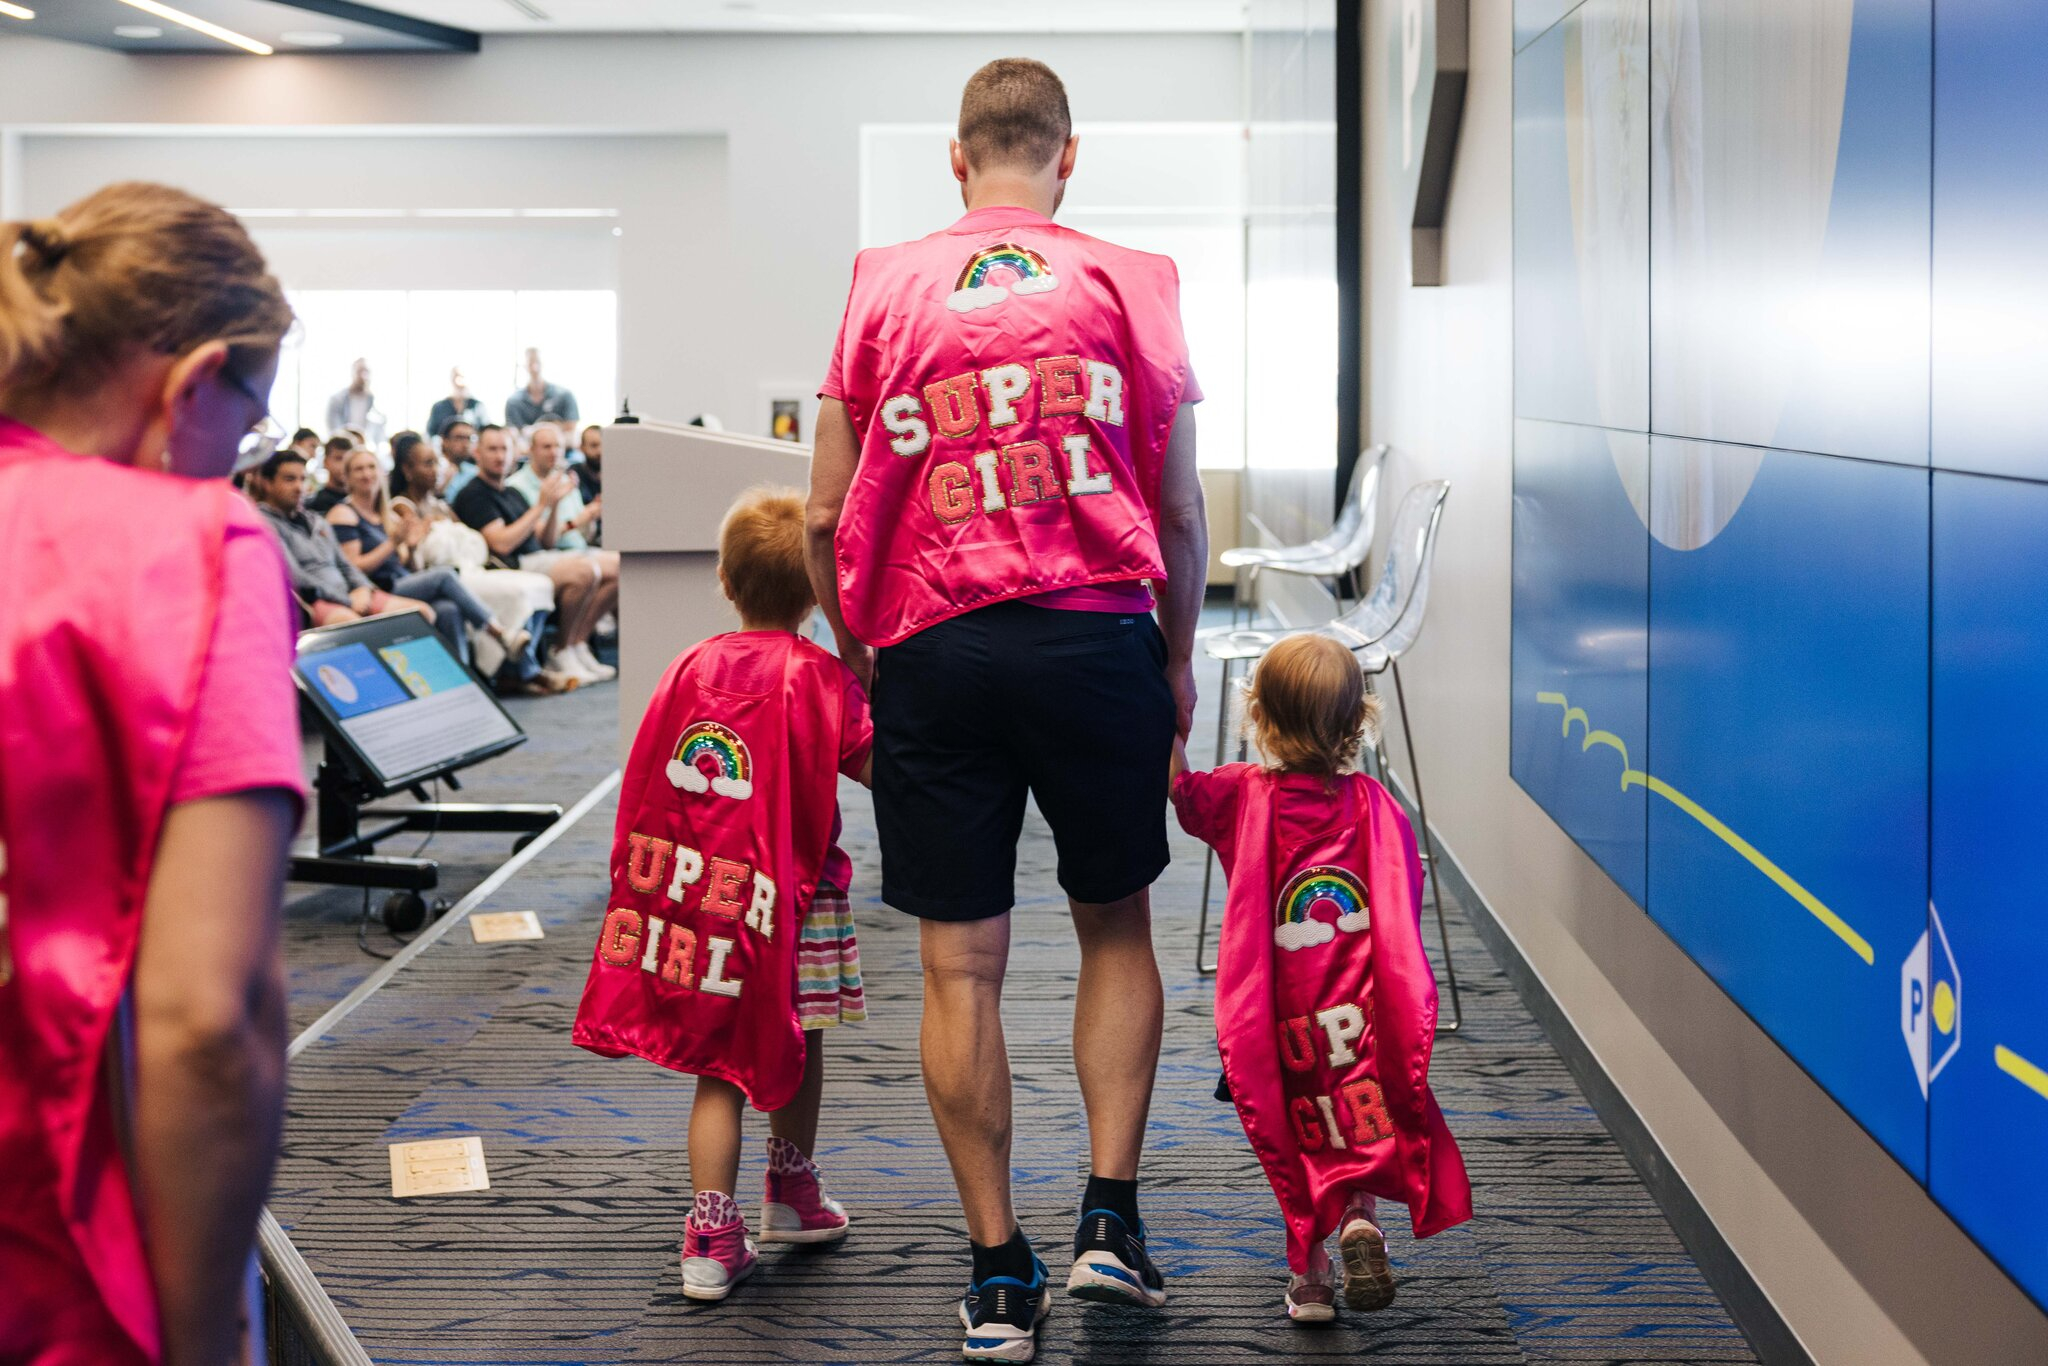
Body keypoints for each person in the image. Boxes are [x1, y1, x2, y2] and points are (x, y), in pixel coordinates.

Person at [803, 58, 1207, 1361]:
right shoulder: (1135, 281)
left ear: (956, 156)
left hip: (936, 644)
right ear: (1067, 156)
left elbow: (822, 512)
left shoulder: (881, 282)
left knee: (958, 964)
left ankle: (995, 1273)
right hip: (1097, 636)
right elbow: (1180, 511)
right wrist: (1178, 659)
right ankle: (1111, 1221)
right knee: (1114, 922)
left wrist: (863, 653)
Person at [0, 181, 303, 1366]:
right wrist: (205, 1332)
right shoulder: (193, 546)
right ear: (195, 383)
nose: (239, 460)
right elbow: (202, 1020)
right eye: (251, 425)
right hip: (50, 1248)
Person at [572, 487, 871, 1303]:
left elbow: (650, 782)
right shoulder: (819, 677)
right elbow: (877, 766)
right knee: (795, 1035)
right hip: (795, 900)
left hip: (709, 896)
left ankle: (730, 1223)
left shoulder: (690, 665)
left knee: (721, 1061)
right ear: (817, 592)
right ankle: (775, 1199)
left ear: (726, 582)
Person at [1169, 635, 1472, 1324]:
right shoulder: (1376, 805)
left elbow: (1182, 793)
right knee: (1354, 1119)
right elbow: (1403, 893)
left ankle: (1310, 1277)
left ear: (1258, 717)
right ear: (1358, 723)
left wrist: (1173, 721)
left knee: (1294, 1131)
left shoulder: (1240, 795)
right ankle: (1360, 1217)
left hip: (1278, 1015)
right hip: (1359, 1015)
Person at [389, 433, 572, 695]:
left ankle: (505, 672)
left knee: (539, 586)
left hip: (467, 569)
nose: (435, 470)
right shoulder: (402, 507)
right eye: (427, 463)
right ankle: (511, 652)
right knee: (516, 592)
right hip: (439, 576)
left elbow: (470, 538)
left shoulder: (441, 505)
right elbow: (412, 555)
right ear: (407, 470)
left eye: (437, 463)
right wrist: (417, 538)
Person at [327, 439, 529, 663]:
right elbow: (354, 567)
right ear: (348, 476)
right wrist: (393, 543)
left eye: (371, 467)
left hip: (401, 579)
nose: (367, 474)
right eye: (359, 469)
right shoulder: (344, 513)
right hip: (378, 588)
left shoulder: (386, 515)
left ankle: (461, 673)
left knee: (448, 609)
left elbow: (409, 566)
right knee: (444, 575)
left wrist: (412, 547)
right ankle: (499, 632)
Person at [454, 423, 618, 684]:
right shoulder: (474, 494)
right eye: (492, 449)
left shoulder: (511, 492)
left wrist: (554, 506)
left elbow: (547, 540)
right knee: (586, 571)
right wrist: (541, 505)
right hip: (512, 565)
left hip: (540, 556)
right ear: (478, 453)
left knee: (620, 567)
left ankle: (576, 644)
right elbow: (502, 544)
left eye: (504, 449)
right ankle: (561, 648)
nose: (500, 456)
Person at [253, 447, 434, 627]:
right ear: (267, 483)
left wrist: (364, 588)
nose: (299, 487)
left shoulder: (316, 521)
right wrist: (346, 599)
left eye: (302, 479)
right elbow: (296, 578)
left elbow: (345, 564)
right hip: (316, 600)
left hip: (349, 591)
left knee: (422, 613)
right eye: (290, 479)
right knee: (355, 627)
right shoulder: (264, 524)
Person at [509, 421, 601, 551]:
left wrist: (592, 516)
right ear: (531, 449)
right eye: (547, 447)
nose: (554, 452)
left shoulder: (566, 480)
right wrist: (575, 522)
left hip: (582, 549)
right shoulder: (515, 486)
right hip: (552, 554)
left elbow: (585, 534)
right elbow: (542, 540)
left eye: (558, 446)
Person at [505, 346, 578, 428]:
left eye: (537, 362)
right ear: (524, 365)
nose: (535, 368)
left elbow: (571, 425)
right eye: (530, 363)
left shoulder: (565, 395)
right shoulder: (514, 401)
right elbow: (513, 430)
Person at [324, 356, 385, 449]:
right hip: (344, 447)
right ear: (353, 373)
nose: (363, 376)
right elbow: (334, 430)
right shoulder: (337, 400)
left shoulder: (375, 402)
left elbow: (379, 434)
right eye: (360, 371)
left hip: (366, 448)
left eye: (366, 371)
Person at [425, 366, 486, 441]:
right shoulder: (439, 407)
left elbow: (485, 432)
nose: (459, 382)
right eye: (456, 377)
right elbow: (430, 434)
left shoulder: (477, 406)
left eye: (462, 377)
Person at [306, 432, 354, 515]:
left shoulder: (360, 502)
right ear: (325, 462)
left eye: (349, 459)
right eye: (338, 458)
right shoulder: (315, 505)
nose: (344, 465)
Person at [439, 416, 479, 497]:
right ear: (445, 441)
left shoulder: (475, 471)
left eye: (469, 438)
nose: (465, 444)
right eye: (459, 438)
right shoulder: (436, 470)